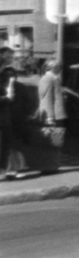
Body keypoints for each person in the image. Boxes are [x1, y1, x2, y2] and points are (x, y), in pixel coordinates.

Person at [32, 58, 65, 175]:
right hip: (52, 116)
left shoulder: (54, 78)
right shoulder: (47, 79)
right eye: (57, 67)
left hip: (56, 115)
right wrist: (50, 118)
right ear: (49, 68)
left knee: (56, 140)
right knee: (52, 140)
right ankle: (48, 167)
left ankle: (52, 166)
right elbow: (47, 99)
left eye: (60, 66)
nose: (59, 69)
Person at [0, 47, 24, 178]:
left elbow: (14, 91)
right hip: (3, 108)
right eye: (8, 57)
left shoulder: (8, 72)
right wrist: (6, 98)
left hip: (6, 113)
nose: (10, 60)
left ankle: (4, 170)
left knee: (6, 141)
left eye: (12, 57)